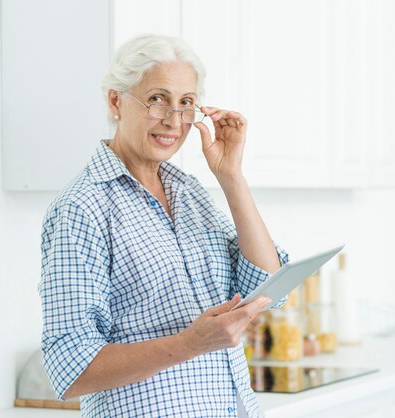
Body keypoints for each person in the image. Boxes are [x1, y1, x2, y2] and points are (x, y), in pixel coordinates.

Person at [39, 34, 289, 417]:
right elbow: (71, 368)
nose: (174, 120)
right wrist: (190, 342)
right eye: (157, 99)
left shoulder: (188, 193)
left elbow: (267, 289)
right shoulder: (82, 208)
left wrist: (231, 176)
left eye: (186, 104)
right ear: (115, 100)